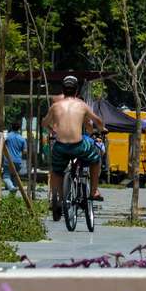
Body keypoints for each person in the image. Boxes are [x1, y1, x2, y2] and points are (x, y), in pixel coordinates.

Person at [42, 75, 106, 216]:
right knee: (95, 159)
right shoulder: (82, 105)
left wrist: (52, 131)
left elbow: (44, 123)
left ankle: (57, 199)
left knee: (56, 170)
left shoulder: (55, 106)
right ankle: (94, 190)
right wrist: (102, 130)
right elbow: (97, 121)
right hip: (78, 146)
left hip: (60, 146)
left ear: (63, 90)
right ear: (77, 91)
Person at [3, 121, 27, 193]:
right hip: (18, 161)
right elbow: (25, 151)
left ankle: (11, 187)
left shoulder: (7, 136)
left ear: (11, 127)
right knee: (15, 176)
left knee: (6, 176)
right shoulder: (22, 139)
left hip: (8, 160)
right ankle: (13, 196)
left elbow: (1, 144)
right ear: (19, 128)